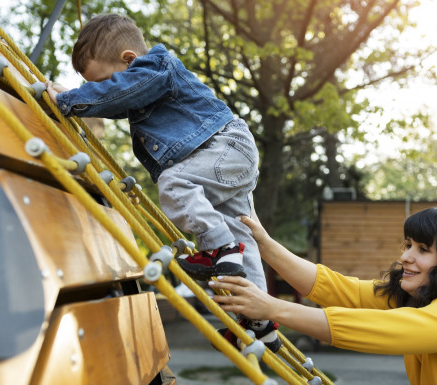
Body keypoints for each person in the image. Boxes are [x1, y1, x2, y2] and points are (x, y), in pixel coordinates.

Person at [45, 13, 280, 351]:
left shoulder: (156, 66)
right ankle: (260, 322)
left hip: (224, 148)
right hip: (226, 160)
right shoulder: (141, 79)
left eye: (103, 81)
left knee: (172, 182)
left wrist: (68, 101)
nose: (103, 90)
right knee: (243, 233)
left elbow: (118, 92)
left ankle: (219, 248)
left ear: (129, 59)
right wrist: (74, 97)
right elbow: (113, 97)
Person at [210, 207, 437, 384]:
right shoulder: (421, 296)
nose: (406, 257)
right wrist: (264, 243)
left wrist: (271, 307)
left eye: (423, 250)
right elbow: (339, 289)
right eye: (408, 245)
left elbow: (377, 330)